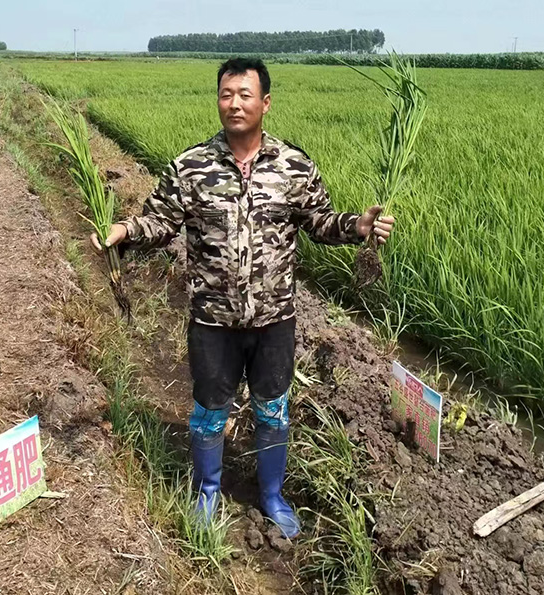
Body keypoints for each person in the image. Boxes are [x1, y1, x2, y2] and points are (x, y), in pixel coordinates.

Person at [92, 57, 394, 539]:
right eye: (226, 94)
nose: (234, 103)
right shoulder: (190, 167)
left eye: (245, 95)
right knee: (209, 409)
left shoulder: (294, 165)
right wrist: (125, 229)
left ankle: (272, 495)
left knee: (272, 408)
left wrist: (356, 226)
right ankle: (207, 490)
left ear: (265, 103)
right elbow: (160, 221)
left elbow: (320, 222)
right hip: (212, 319)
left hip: (275, 318)